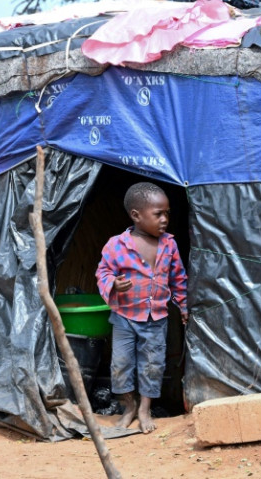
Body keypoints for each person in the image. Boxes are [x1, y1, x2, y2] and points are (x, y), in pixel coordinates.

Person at [96, 182, 188, 433]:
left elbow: (178, 278)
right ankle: (129, 406)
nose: (165, 219)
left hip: (156, 318)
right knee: (121, 364)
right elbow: (102, 272)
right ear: (136, 215)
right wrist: (113, 283)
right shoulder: (116, 245)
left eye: (167, 213)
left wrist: (182, 306)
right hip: (124, 317)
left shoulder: (169, 245)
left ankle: (145, 409)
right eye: (158, 214)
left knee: (152, 364)